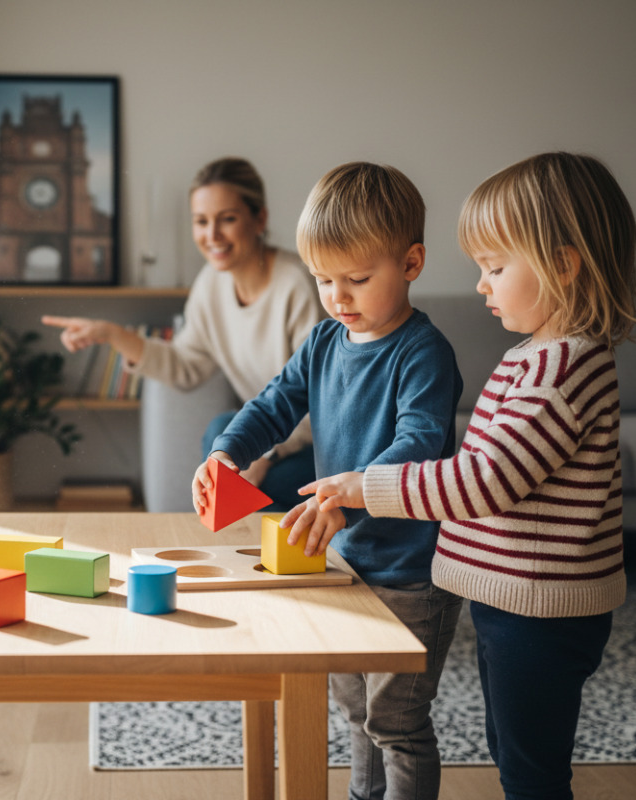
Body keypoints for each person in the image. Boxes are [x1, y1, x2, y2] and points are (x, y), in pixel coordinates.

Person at [298, 152, 636, 800]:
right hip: (510, 600)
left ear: (562, 265)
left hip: (536, 611)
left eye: (494, 267)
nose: (482, 285)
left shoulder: (559, 370)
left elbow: (482, 481)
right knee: (515, 752)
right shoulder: (534, 357)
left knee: (530, 771)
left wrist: (362, 487)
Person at [193, 162, 465, 800]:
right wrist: (229, 451)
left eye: (357, 279)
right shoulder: (323, 341)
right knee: (353, 713)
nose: (338, 297)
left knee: (396, 722)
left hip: (412, 573)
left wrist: (352, 492)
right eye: (322, 280)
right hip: (341, 565)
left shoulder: (423, 352)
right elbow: (273, 404)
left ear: (412, 262)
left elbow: (418, 443)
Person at [42, 157, 323, 510]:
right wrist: (113, 335)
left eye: (228, 219)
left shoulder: (296, 285)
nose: (212, 236)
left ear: (260, 219)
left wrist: (263, 456)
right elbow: (186, 366)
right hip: (267, 437)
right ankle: (250, 542)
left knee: (262, 484)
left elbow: (317, 401)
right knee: (221, 431)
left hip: (317, 444)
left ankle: (263, 546)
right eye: (201, 222)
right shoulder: (210, 284)